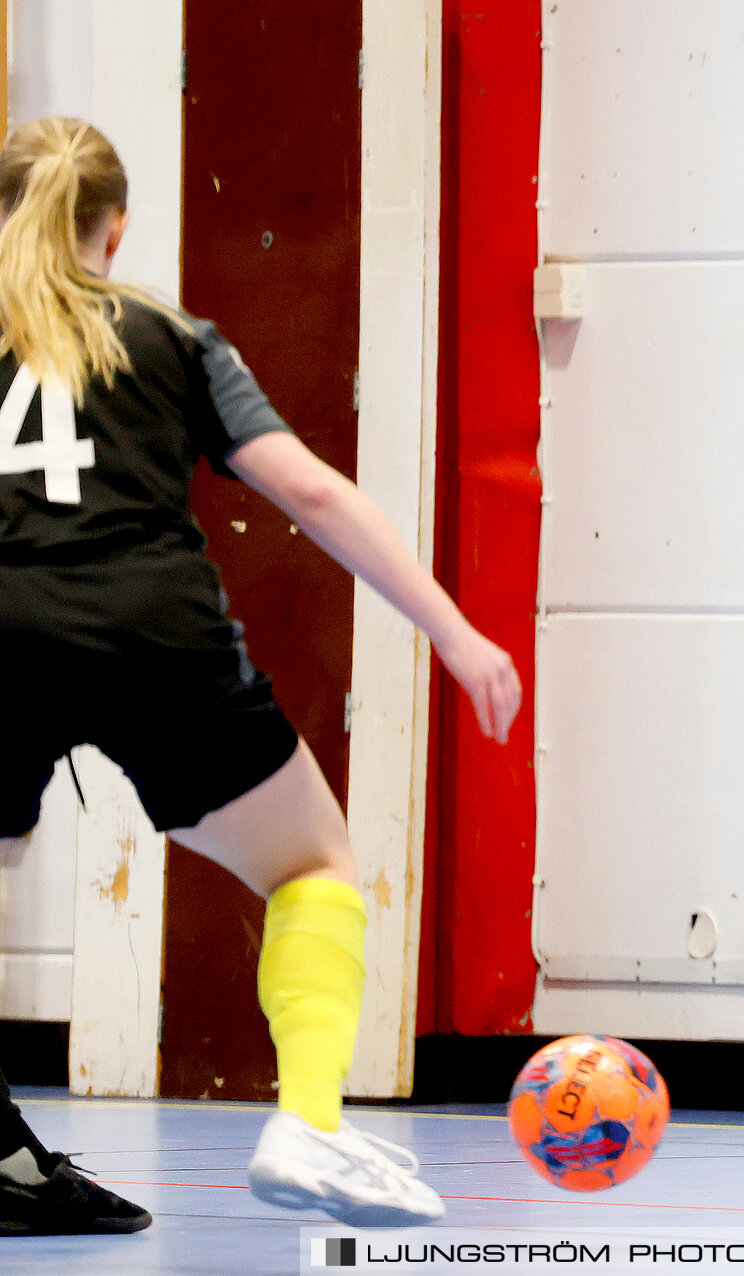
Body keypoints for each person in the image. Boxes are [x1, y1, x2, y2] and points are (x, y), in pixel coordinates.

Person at [0, 117, 522, 1232]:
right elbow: (316, 493)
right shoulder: (169, 334)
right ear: (116, 228)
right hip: (154, 632)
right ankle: (308, 1121)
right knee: (316, 863)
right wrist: (454, 632)